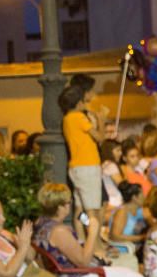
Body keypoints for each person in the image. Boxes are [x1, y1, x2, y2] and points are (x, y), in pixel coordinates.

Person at [59, 85, 103, 234]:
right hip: (88, 167)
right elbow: (99, 137)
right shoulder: (78, 116)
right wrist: (100, 119)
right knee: (92, 212)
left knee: (80, 208)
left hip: (76, 168)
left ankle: (82, 241)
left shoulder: (66, 119)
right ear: (78, 103)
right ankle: (96, 247)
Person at [109, 181, 147, 253]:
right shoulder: (122, 212)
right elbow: (115, 236)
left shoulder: (139, 210)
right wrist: (142, 237)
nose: (144, 197)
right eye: (142, 194)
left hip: (135, 248)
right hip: (122, 250)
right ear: (134, 197)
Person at [100, 139, 125, 208]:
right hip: (115, 203)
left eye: (121, 150)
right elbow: (122, 185)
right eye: (117, 150)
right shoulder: (111, 166)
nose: (120, 153)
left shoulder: (104, 165)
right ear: (109, 151)